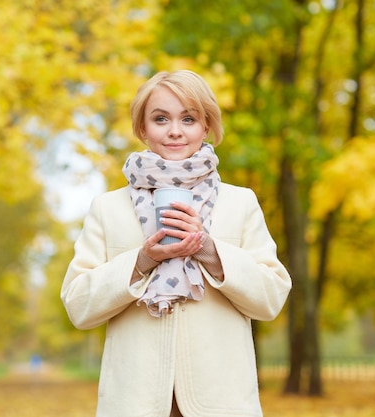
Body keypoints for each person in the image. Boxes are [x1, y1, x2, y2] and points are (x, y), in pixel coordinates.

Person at [60, 70, 292, 417]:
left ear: (207, 126)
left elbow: (271, 299)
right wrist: (141, 261)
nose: (174, 130)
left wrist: (208, 250)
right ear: (142, 129)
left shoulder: (240, 203)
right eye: (160, 118)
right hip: (134, 403)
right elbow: (78, 305)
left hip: (221, 403)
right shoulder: (107, 208)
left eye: (188, 118)